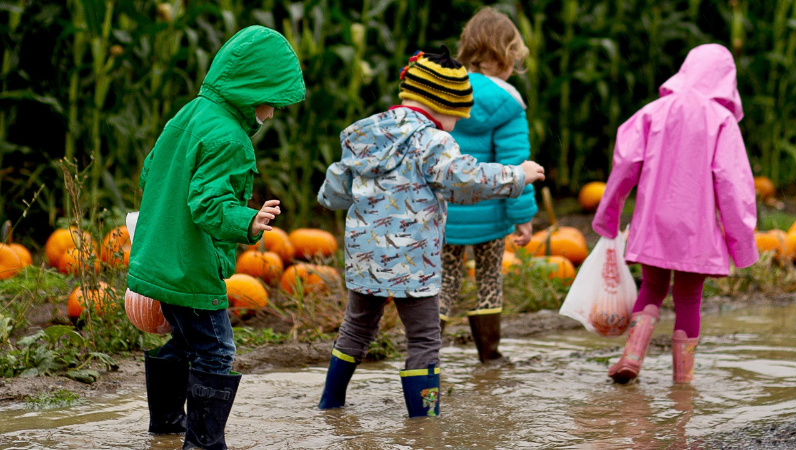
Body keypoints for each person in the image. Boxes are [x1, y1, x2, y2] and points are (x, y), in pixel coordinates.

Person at [316, 46, 545, 417]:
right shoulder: (433, 141)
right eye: (458, 114)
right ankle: (424, 423)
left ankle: (330, 403)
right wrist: (518, 175)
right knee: (423, 339)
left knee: (356, 329)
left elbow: (335, 188)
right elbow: (464, 180)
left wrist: (343, 198)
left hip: (365, 257)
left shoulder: (367, 130)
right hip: (413, 260)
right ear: (443, 105)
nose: (459, 123)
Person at [127, 26, 305, 449]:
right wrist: (248, 222)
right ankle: (203, 443)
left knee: (185, 342)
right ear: (250, 91)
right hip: (191, 266)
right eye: (272, 102)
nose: (273, 113)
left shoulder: (190, 113)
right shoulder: (231, 138)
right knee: (217, 351)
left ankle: (167, 424)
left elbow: (149, 173)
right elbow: (207, 206)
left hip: (159, 255)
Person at [592, 44, 758, 384]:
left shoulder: (653, 112)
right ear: (726, 81)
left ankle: (631, 357)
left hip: (653, 224)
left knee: (652, 287)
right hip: (696, 232)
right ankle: (683, 383)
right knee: (688, 298)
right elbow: (733, 185)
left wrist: (609, 215)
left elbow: (624, 165)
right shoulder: (722, 121)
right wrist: (741, 244)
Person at [440, 7, 538, 363]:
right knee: (489, 278)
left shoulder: (443, 90)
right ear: (506, 56)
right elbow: (517, 166)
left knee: (445, 281)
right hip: (492, 210)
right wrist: (523, 217)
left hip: (445, 211)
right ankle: (490, 356)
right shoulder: (508, 104)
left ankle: (425, 352)